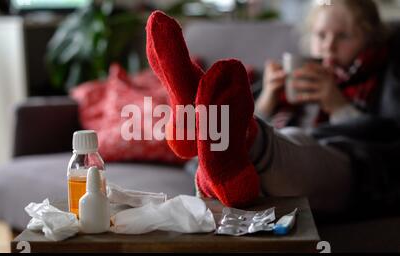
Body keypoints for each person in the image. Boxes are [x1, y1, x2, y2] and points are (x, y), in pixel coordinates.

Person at [146, 0, 400, 217]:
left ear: (369, 39)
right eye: (321, 35)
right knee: (234, 159)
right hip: (264, 175)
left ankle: (219, 128)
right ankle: (223, 137)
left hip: (340, 166)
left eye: (343, 36)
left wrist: (338, 106)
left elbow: (389, 139)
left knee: (294, 142)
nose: (329, 46)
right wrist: (266, 98)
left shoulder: (382, 77)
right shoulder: (284, 77)